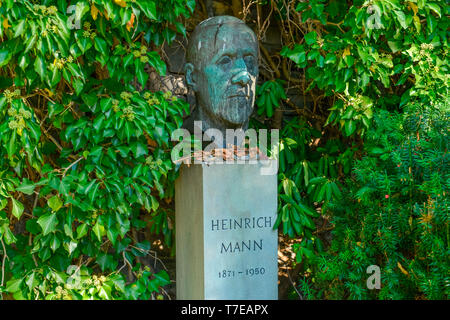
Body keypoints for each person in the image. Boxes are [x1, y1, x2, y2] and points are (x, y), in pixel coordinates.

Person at [184, 16, 259, 144]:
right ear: (192, 77)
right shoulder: (184, 144)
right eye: (225, 61)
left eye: (250, 61)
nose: (244, 76)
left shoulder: (254, 150)